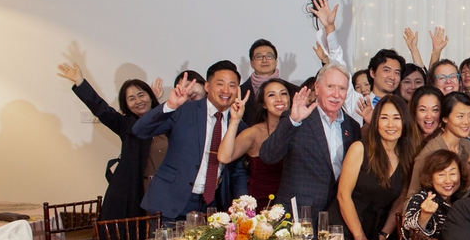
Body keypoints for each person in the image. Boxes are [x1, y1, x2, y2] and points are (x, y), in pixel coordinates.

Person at [133, 61, 246, 219]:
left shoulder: (239, 125)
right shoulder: (184, 109)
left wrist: (242, 203)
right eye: (220, 84)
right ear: (207, 86)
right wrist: (169, 106)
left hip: (211, 205)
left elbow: (237, 170)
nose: (226, 90)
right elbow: (140, 131)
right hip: (169, 200)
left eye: (232, 85)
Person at [255, 63, 361, 223]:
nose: (336, 94)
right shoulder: (297, 117)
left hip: (336, 215)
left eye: (342, 88)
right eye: (330, 86)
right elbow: (268, 156)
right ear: (317, 88)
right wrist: (293, 121)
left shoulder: (352, 126)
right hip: (298, 215)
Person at [57, 63, 158, 220]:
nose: (138, 101)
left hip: (160, 191)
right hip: (130, 191)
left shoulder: (166, 120)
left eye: (141, 95)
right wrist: (80, 82)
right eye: (131, 98)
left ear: (151, 96)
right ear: (126, 105)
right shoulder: (125, 124)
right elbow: (101, 109)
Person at [334, 94, 415, 240]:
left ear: (405, 122)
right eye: (384, 118)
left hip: (376, 234)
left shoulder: (408, 156)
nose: (390, 124)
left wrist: (384, 235)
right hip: (343, 231)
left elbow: (400, 201)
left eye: (396, 118)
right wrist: (359, 236)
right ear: (376, 121)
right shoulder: (359, 149)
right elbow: (343, 195)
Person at [217, 78, 293, 210]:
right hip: (258, 207)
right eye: (271, 95)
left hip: (291, 205)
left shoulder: (300, 130)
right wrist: (235, 120)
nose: (279, 99)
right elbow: (224, 157)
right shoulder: (254, 133)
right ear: (263, 104)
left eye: (283, 93)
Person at [405, 92, 470, 201]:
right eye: (460, 116)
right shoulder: (430, 151)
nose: (466, 122)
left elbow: (462, 194)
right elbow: (411, 197)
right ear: (445, 118)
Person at [401, 148, 465, 240]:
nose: (448, 181)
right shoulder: (420, 199)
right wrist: (424, 215)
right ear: (430, 177)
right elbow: (408, 234)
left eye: (453, 173)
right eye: (441, 174)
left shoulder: (461, 202)